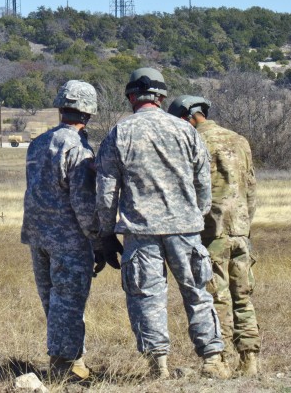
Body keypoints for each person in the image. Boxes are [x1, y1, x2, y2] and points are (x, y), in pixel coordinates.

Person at [95, 67, 228, 380]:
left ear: (130, 97)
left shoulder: (120, 133)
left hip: (141, 233)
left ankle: (159, 366)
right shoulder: (186, 131)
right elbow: (203, 184)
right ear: (162, 97)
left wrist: (105, 233)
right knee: (198, 294)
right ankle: (211, 359)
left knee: (147, 299)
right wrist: (196, 215)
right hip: (185, 229)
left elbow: (106, 191)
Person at [21, 80, 110, 382]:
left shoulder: (38, 143)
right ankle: (67, 367)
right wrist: (98, 240)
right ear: (88, 113)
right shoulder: (77, 148)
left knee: (53, 302)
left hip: (38, 236)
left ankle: (68, 360)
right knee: (69, 303)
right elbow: (83, 202)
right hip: (68, 239)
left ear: (61, 107)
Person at [167, 95, 260, 376]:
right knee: (243, 296)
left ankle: (222, 360)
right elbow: (252, 186)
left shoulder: (193, 142)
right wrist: (244, 224)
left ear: (186, 117)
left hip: (211, 233)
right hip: (241, 232)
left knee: (216, 296)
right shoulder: (240, 140)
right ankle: (250, 359)